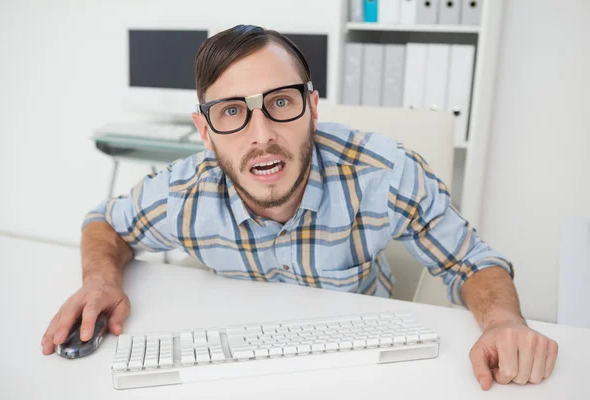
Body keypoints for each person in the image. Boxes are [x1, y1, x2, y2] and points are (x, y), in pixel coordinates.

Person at [41, 25, 558, 390]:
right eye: (231, 113)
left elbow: (471, 261)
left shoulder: (384, 173)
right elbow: (105, 223)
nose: (261, 136)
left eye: (281, 103)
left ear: (311, 108)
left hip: (362, 369)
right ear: (205, 132)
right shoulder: (185, 194)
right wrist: (100, 282)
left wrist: (502, 321)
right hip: (234, 366)